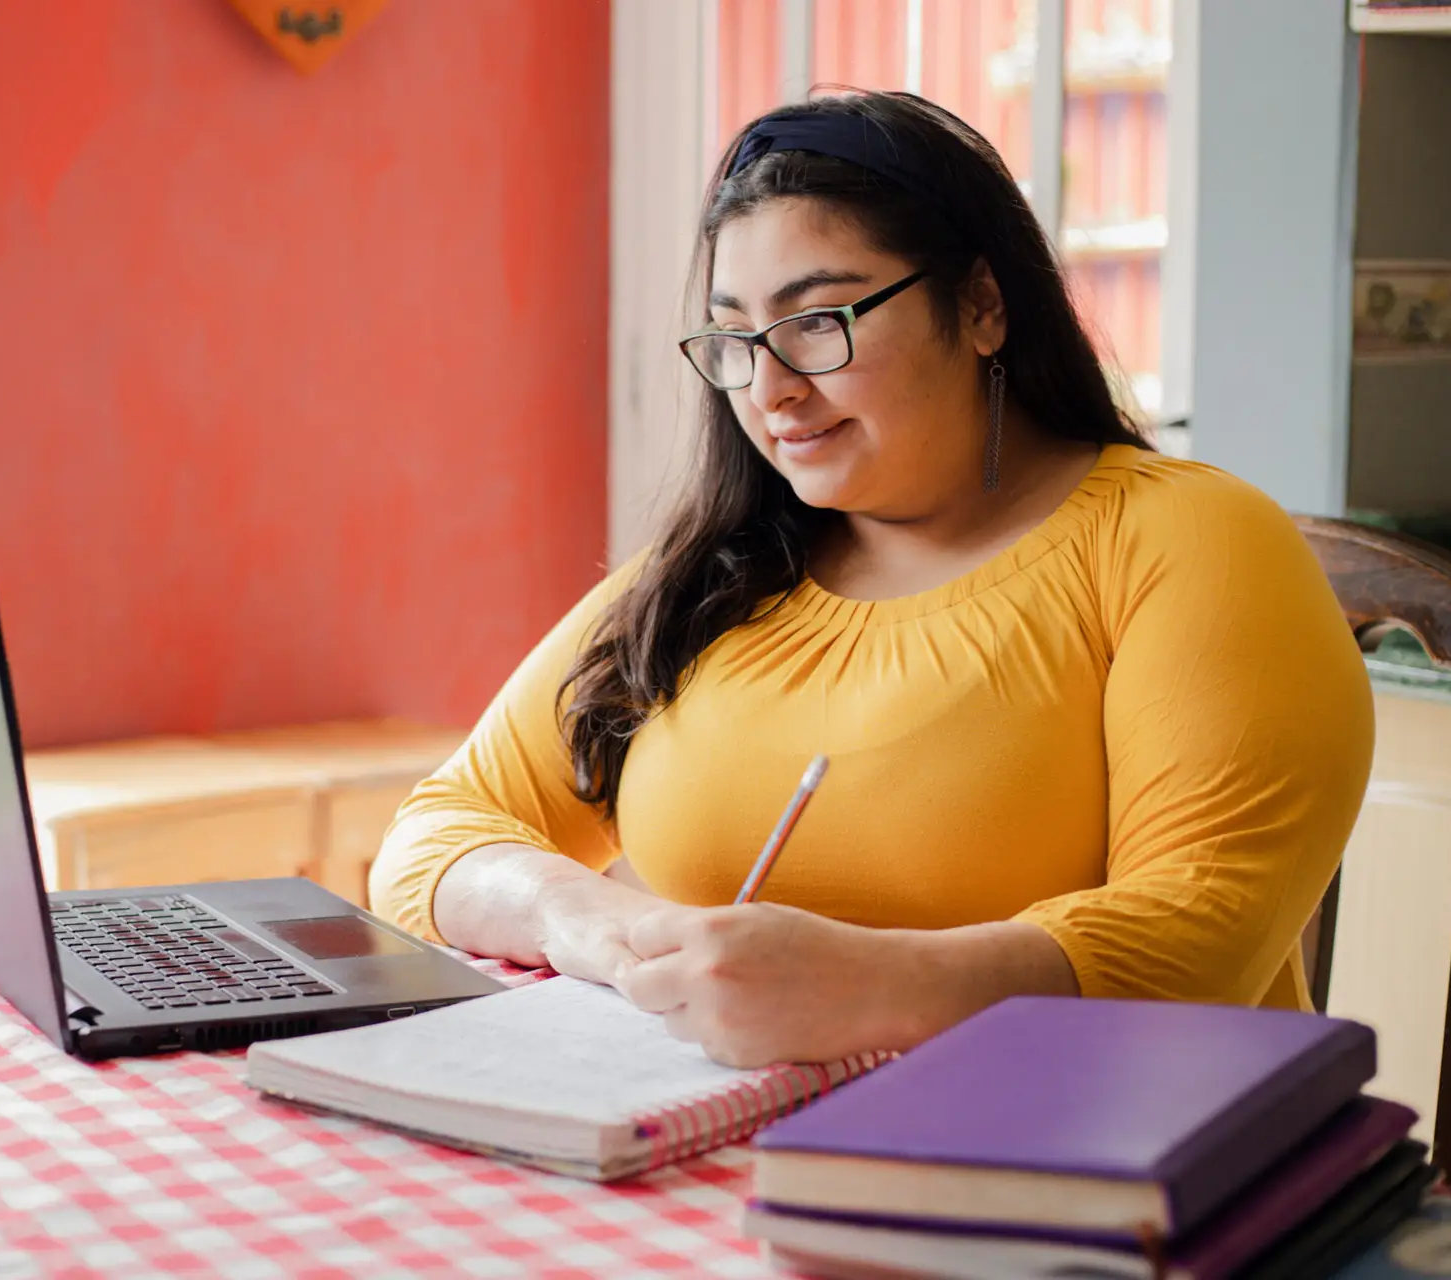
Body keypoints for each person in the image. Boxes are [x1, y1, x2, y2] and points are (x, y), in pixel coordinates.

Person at [368, 91, 1374, 1068]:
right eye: (737, 337)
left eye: (818, 320)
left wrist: (865, 985)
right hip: (708, 1162)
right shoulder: (708, 579)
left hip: (1104, 1183)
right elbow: (432, 838)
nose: (771, 390)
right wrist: (601, 922)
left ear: (981, 304)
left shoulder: (1189, 540)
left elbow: (1201, 933)